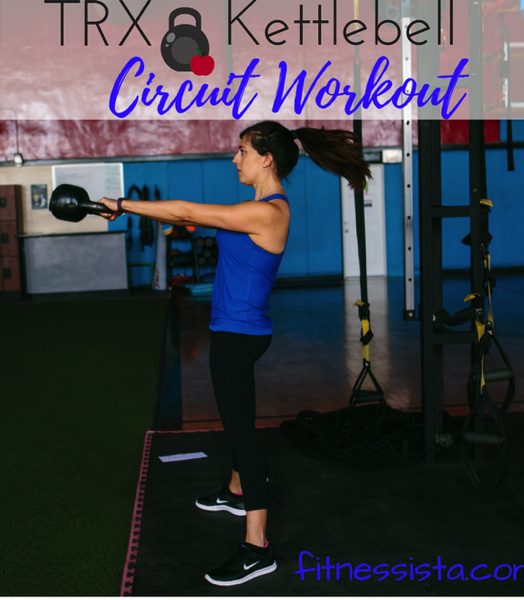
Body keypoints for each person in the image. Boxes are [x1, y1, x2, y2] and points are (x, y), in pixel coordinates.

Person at [99, 120, 371, 587]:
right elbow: (191, 217)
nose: (234, 158)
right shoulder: (256, 208)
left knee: (243, 433)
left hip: (238, 336)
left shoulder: (268, 213)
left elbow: (188, 207)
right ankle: (234, 490)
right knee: (236, 419)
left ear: (266, 158)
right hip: (237, 330)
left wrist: (123, 205)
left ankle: (256, 548)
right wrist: (168, 217)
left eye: (242, 150)